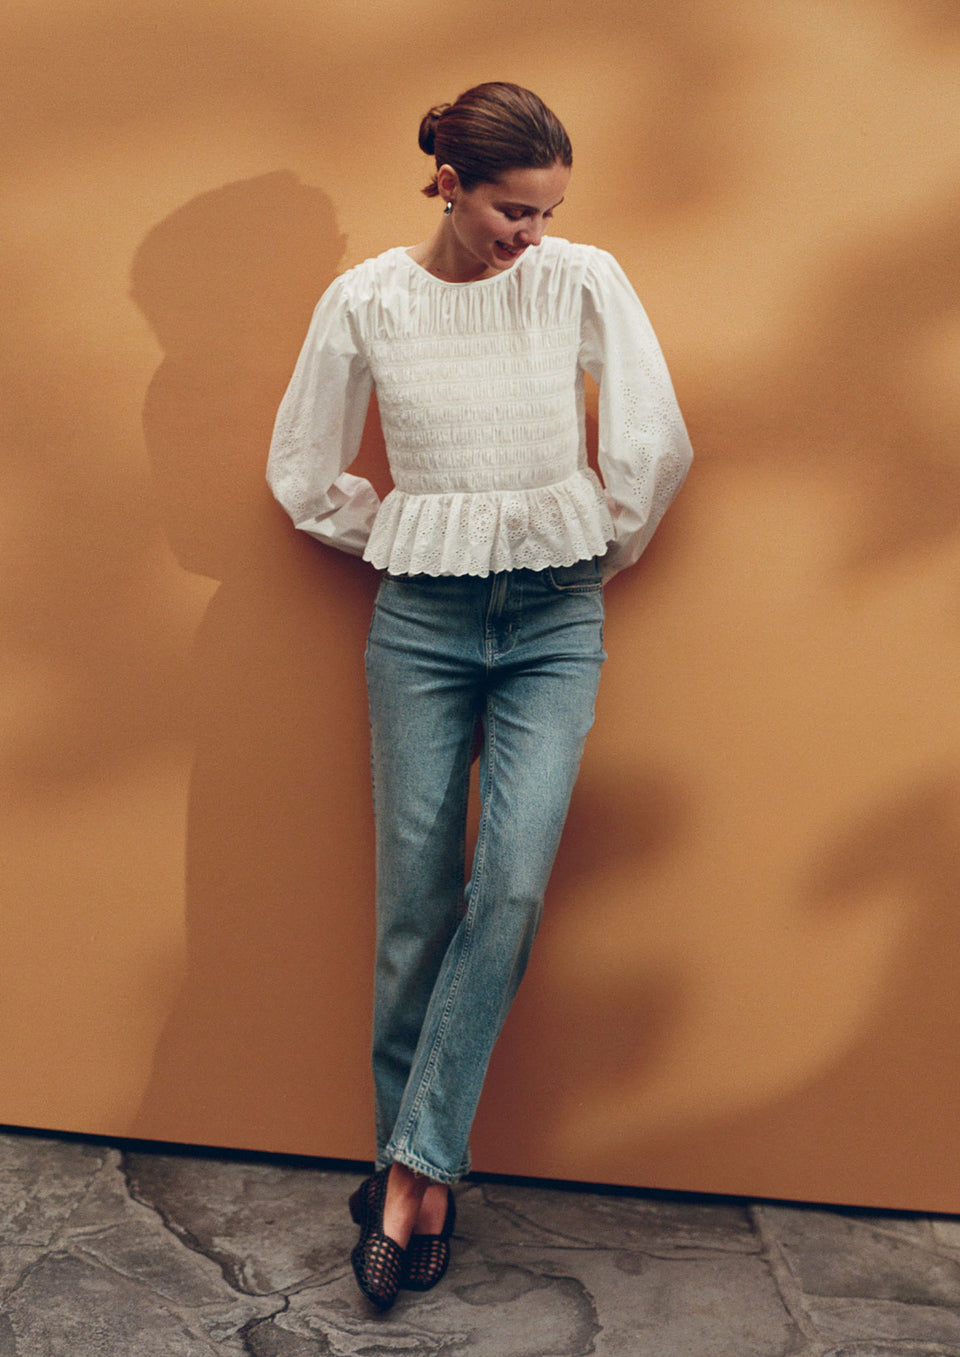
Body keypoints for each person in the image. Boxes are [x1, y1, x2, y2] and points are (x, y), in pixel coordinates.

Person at [266, 81, 693, 1311]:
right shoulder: (368, 302)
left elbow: (652, 444)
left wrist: (588, 546)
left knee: (506, 881)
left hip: (556, 617)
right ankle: (424, 1185)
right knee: (414, 899)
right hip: (421, 621)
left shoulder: (582, 280)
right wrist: (402, 528)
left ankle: (408, 1167)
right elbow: (302, 466)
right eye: (514, 212)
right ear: (448, 184)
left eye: (550, 211)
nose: (533, 237)